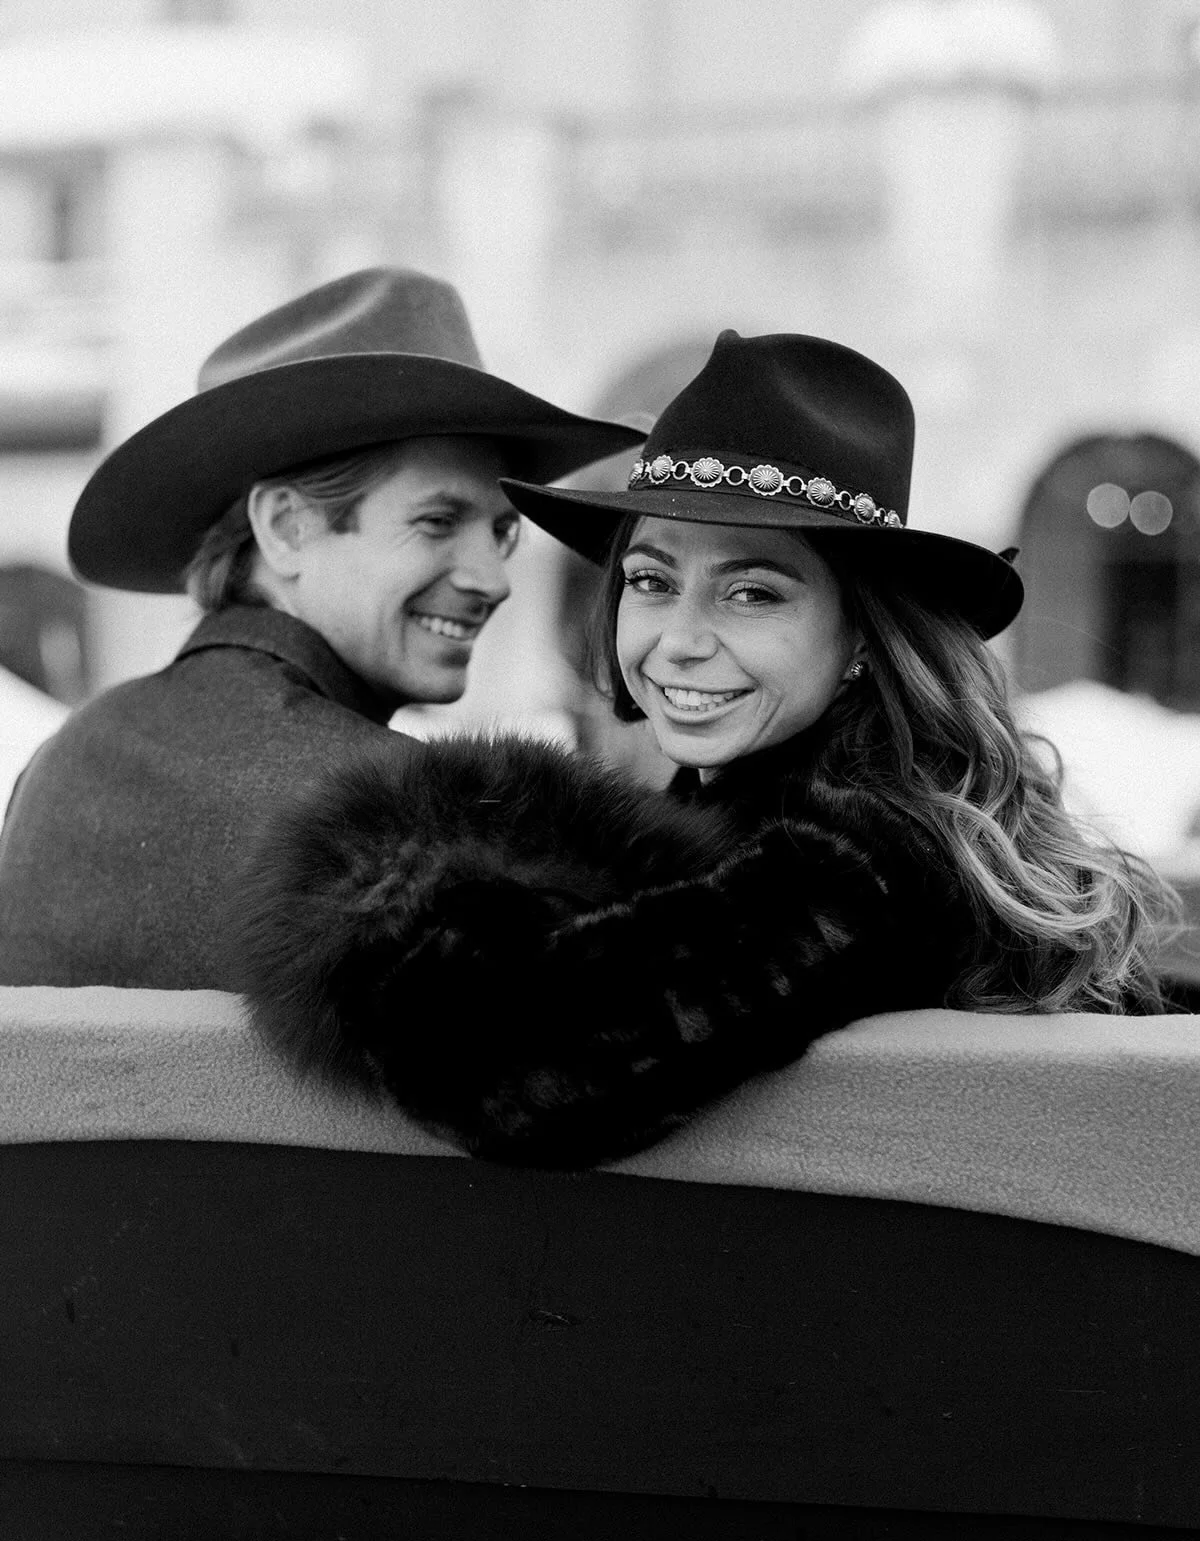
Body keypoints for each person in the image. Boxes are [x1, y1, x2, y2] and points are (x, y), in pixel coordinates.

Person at [235, 330, 1176, 1168]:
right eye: (651, 580)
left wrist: (383, 853)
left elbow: (523, 1078)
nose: (679, 638)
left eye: (752, 592)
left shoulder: (873, 853)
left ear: (860, 640)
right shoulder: (768, 813)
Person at [0, 268, 643, 988]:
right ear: (285, 527)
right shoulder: (414, 812)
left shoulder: (58, 764)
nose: (493, 580)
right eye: (437, 522)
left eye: (502, 534)